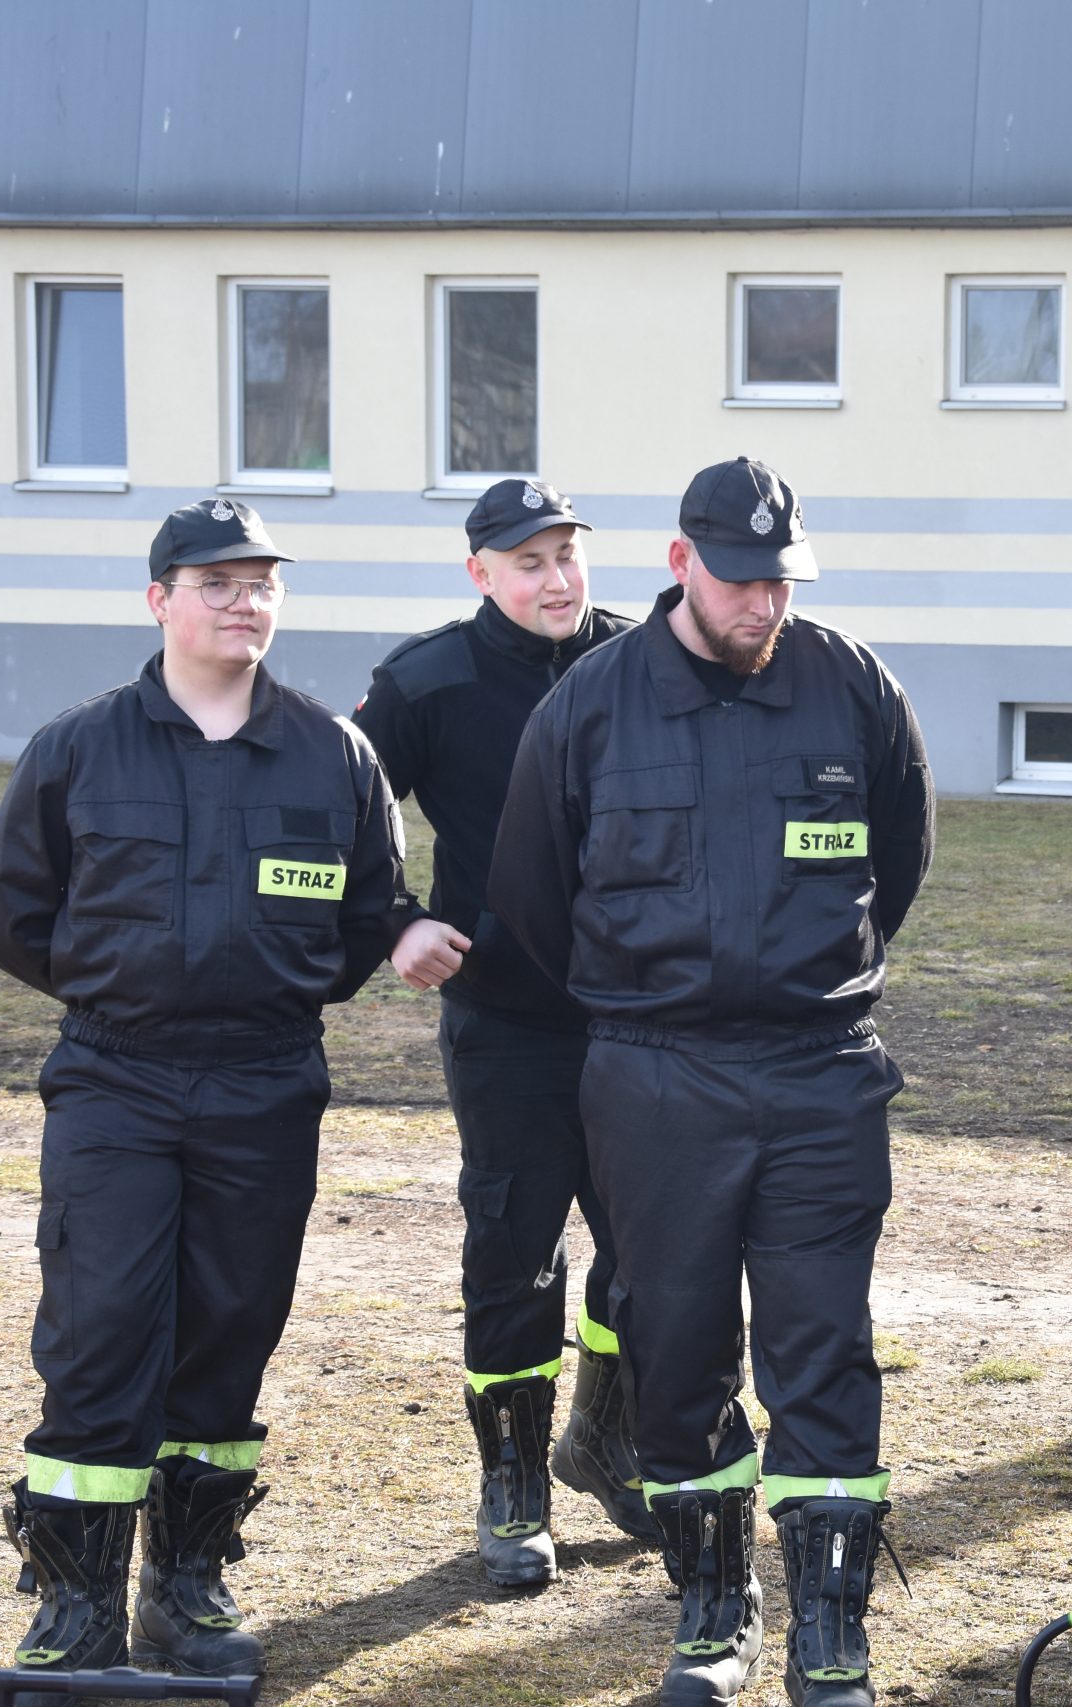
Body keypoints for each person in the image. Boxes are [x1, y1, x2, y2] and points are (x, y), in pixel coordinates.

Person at [490, 456, 933, 1707]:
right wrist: (651, 1000)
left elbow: (895, 863)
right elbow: (531, 893)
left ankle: (830, 1634)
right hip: (656, 1077)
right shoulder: (590, 706)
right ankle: (711, 1609)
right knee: (676, 1353)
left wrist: (801, 981)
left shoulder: (851, 686)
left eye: (781, 582)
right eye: (739, 581)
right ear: (681, 563)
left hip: (820, 1071)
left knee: (824, 1348)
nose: (762, 605)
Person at [0, 498, 405, 1693]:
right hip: (116, 1076)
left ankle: (186, 1585)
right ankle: (75, 1602)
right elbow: (9, 915)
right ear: (159, 598)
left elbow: (368, 916)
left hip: (265, 1082)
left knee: (229, 1326)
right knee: (100, 1324)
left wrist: (262, 994)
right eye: (217, 583)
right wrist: (126, 991)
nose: (243, 602)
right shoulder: (80, 748)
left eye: (262, 583)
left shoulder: (332, 754)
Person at [351, 477, 649, 1582]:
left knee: (648, 1254)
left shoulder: (644, 661)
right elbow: (337, 806)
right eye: (530, 563)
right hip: (508, 1025)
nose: (557, 579)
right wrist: (395, 921)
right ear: (479, 573)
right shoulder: (426, 680)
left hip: (644, 1023)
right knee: (516, 1257)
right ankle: (514, 1484)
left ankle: (604, 1439)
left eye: (568, 555)